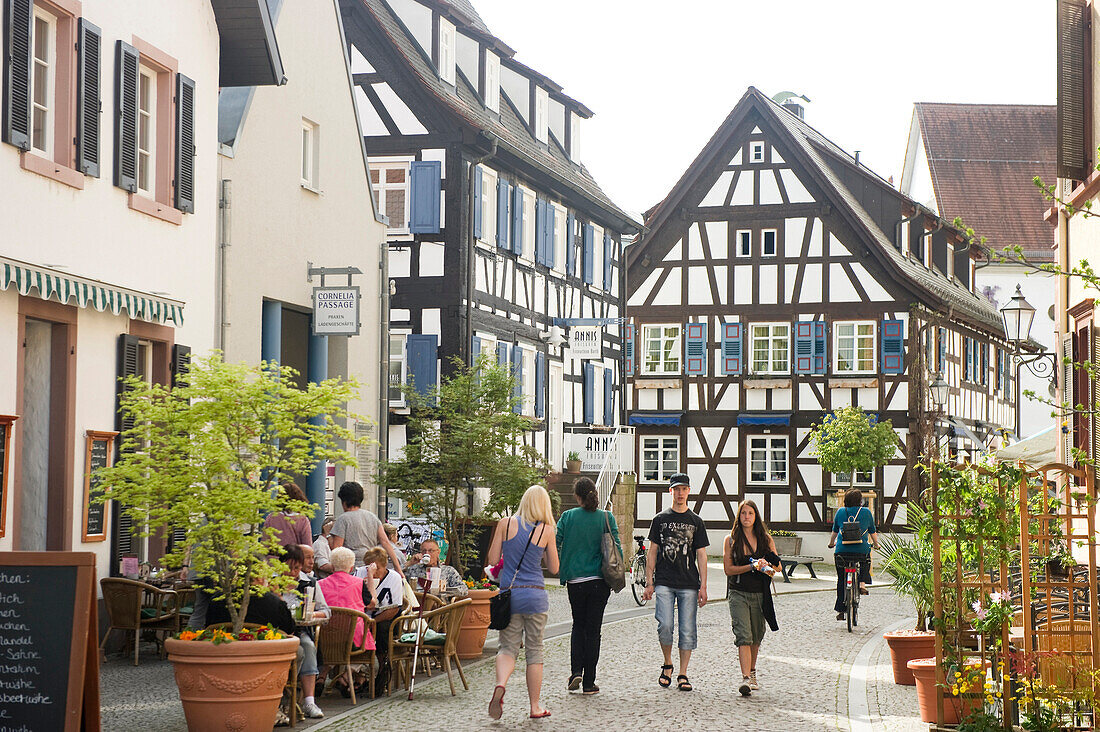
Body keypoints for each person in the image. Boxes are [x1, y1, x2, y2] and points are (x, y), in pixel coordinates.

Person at [487, 485, 559, 721]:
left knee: (507, 647)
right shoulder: (547, 529)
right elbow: (554, 568)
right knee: (534, 652)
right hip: (536, 596)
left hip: (510, 595)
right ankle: (535, 706)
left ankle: (500, 684)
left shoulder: (505, 524)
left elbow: (492, 560)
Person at [641, 472, 708, 693]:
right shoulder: (660, 519)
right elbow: (652, 552)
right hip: (664, 581)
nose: (680, 493)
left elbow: (702, 555)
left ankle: (683, 673)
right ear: (670, 491)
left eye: (684, 489)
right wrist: (649, 582)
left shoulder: (696, 521)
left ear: (689, 491)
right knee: (666, 625)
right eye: (676, 489)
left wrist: (704, 586)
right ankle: (667, 663)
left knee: (687, 629)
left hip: (689, 583)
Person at [556, 476, 620, 695]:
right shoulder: (606, 517)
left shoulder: (567, 517)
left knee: (578, 626)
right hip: (599, 581)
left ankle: (576, 672)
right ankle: (589, 682)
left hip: (575, 580)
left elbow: (555, 542)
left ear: (577, 496)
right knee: (593, 631)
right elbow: (617, 549)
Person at [723, 500, 780, 697]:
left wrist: (766, 565)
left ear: (756, 517)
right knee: (743, 636)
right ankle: (745, 678)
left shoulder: (765, 539)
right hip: (738, 592)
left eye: (750, 513)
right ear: (738, 517)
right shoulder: (731, 540)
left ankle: (752, 671)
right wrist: (751, 566)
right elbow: (728, 570)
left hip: (760, 594)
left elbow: (777, 568)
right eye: (743, 513)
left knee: (756, 636)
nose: (746, 517)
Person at [318, 547, 376, 696]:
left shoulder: (319, 584)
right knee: (369, 644)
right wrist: (370, 576)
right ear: (351, 567)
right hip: (353, 638)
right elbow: (371, 604)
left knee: (333, 649)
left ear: (332, 564)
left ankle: (321, 677)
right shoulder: (357, 582)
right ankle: (345, 676)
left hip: (326, 635)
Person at [281, 544, 330, 719]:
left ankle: (309, 701)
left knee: (309, 646)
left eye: (297, 568)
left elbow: (326, 611)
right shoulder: (273, 582)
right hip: (277, 631)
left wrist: (310, 613)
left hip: (299, 630)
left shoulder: (309, 583)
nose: (293, 572)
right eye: (289, 568)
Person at [330, 481, 404, 576]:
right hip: (371, 567)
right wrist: (398, 568)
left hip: (351, 569)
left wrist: (328, 534)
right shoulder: (373, 517)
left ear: (343, 502)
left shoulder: (342, 519)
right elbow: (386, 543)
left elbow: (337, 550)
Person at [828, 488, 880, 621]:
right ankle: (862, 583)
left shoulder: (840, 512)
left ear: (845, 500)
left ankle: (840, 610)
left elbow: (835, 531)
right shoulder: (866, 512)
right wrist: (876, 544)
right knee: (865, 560)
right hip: (860, 550)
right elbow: (872, 531)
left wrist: (831, 543)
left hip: (842, 551)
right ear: (860, 501)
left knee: (841, 579)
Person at [361, 546, 404, 695]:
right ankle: (355, 675)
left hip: (385, 618)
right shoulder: (360, 574)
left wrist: (374, 621)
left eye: (377, 568)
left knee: (381, 630)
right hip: (361, 617)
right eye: (369, 567)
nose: (373, 571)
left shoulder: (394, 578)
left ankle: (383, 667)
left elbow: (394, 609)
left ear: (385, 566)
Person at [403, 538, 469, 597]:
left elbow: (463, 589)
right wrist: (410, 563)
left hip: (441, 607)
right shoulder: (414, 569)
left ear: (438, 552)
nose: (427, 553)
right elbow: (396, 578)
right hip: (418, 606)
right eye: (424, 551)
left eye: (431, 551)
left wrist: (445, 592)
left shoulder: (448, 571)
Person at [263, 481, 313, 548]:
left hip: (273, 557)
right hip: (294, 557)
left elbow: (265, 544)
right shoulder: (302, 520)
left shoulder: (271, 518)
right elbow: (307, 545)